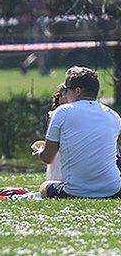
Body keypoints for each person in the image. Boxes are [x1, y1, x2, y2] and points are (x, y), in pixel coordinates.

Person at [33, 66, 121, 199]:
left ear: (77, 91)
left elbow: (47, 158)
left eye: (66, 90)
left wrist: (38, 153)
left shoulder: (62, 112)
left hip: (75, 191)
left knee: (44, 187)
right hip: (113, 189)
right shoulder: (114, 116)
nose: (64, 94)